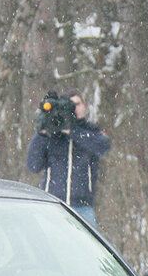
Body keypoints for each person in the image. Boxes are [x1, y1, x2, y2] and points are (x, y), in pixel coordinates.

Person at [26, 89, 110, 227]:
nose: (74, 109)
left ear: (84, 105)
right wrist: (41, 133)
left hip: (82, 207)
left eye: (77, 104)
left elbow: (102, 146)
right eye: (69, 105)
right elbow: (33, 165)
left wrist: (72, 131)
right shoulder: (52, 135)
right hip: (52, 205)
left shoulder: (91, 131)